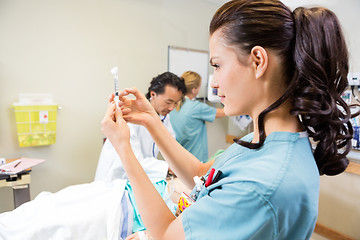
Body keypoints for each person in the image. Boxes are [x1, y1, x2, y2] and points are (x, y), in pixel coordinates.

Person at [101, 0, 358, 239]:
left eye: (217, 65)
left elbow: (167, 235)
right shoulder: (262, 139)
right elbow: (202, 175)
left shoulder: (262, 184)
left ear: (258, 61)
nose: (213, 83)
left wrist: (123, 148)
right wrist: (151, 120)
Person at [96, 71, 186, 236]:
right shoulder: (131, 117)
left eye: (176, 103)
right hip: (117, 181)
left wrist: (175, 165)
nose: (172, 108)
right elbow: (134, 160)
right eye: (169, 101)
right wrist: (168, 168)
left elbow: (170, 145)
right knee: (111, 225)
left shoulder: (165, 118)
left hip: (138, 179)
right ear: (153, 94)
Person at [170, 71, 226, 163]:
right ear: (194, 90)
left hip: (179, 159)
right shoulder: (195, 107)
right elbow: (223, 112)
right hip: (195, 160)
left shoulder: (174, 105)